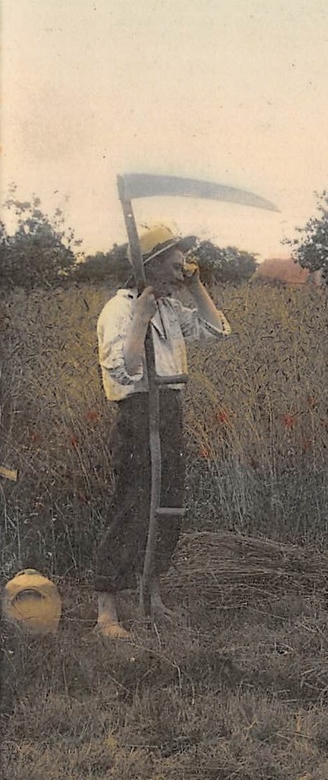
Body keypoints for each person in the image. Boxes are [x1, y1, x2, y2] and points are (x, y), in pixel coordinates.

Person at [93, 224, 231, 638]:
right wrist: (139, 320)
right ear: (148, 266)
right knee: (133, 506)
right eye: (174, 267)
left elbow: (216, 330)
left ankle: (152, 594)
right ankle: (107, 612)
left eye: (183, 267)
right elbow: (124, 370)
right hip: (137, 415)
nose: (180, 273)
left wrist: (198, 288)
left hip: (169, 411)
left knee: (168, 504)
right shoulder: (119, 311)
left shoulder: (170, 308)